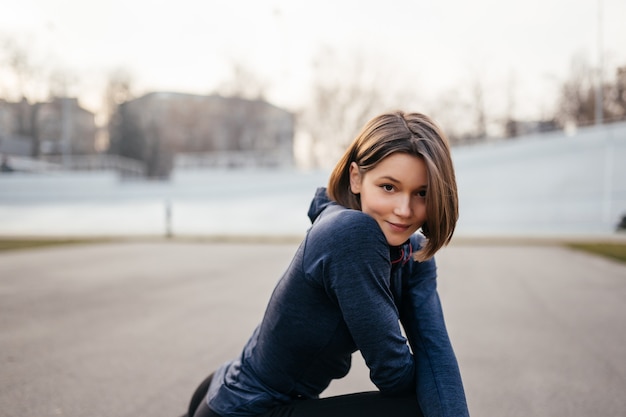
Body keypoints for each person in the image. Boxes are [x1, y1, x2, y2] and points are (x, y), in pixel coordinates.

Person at [183, 111, 469, 417]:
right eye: (389, 187)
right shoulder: (351, 234)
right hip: (248, 409)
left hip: (226, 388)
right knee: (415, 409)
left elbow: (435, 352)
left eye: (422, 193)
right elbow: (393, 372)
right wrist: (430, 381)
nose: (404, 209)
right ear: (356, 178)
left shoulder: (413, 252)